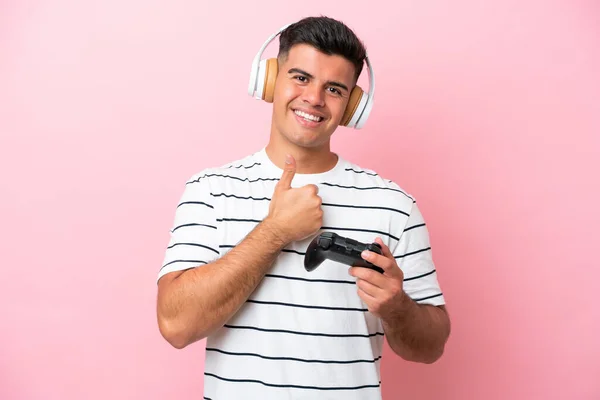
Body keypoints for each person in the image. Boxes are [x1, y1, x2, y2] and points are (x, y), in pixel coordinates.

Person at [156, 15, 451, 399]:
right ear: (269, 81)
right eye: (300, 77)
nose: (314, 98)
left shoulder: (394, 205)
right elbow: (176, 325)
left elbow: (431, 347)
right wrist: (275, 231)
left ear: (351, 107)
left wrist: (397, 307)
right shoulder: (211, 191)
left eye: (334, 88)